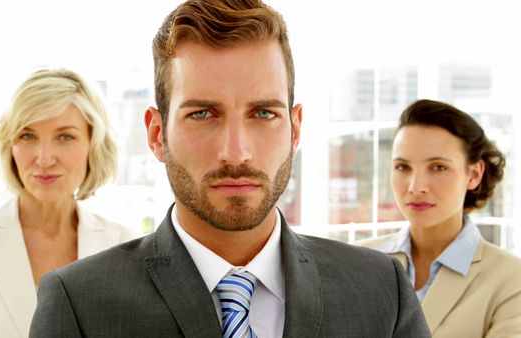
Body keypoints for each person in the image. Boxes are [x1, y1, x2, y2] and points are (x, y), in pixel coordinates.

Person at [30, 1, 431, 337]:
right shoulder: (78, 304)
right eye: (203, 113)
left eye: (263, 113)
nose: (236, 152)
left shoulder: (381, 291)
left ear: (295, 129)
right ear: (156, 134)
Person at [0, 68, 139, 338]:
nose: (44, 159)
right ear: (10, 146)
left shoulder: (127, 248)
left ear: (93, 143)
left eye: (65, 137)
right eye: (27, 136)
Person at [360, 99, 521, 337]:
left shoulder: (511, 280)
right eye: (403, 167)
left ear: (474, 174)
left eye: (438, 167)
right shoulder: (356, 262)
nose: (416, 186)